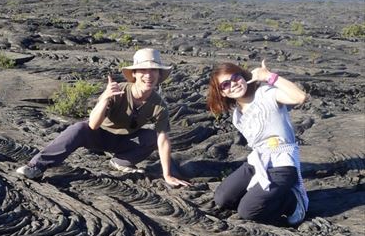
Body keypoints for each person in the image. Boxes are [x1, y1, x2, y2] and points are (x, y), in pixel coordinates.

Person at [16, 48, 189, 188]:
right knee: (78, 128)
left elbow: (163, 140)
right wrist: (105, 98)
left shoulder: (159, 104)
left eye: (154, 71)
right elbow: (93, 124)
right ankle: (36, 166)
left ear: (159, 76)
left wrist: (167, 175)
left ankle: (121, 162)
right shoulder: (117, 91)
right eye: (143, 70)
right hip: (99, 135)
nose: (149, 75)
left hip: (126, 140)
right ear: (134, 73)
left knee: (152, 137)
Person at [206, 59, 308, 225]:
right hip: (257, 162)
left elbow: (300, 97)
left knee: (248, 211)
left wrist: (269, 76)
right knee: (222, 198)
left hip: (282, 163)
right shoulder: (237, 117)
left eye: (235, 77)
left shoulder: (266, 93)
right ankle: (260, 196)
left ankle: (293, 202)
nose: (233, 84)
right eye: (225, 84)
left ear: (244, 77)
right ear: (222, 93)